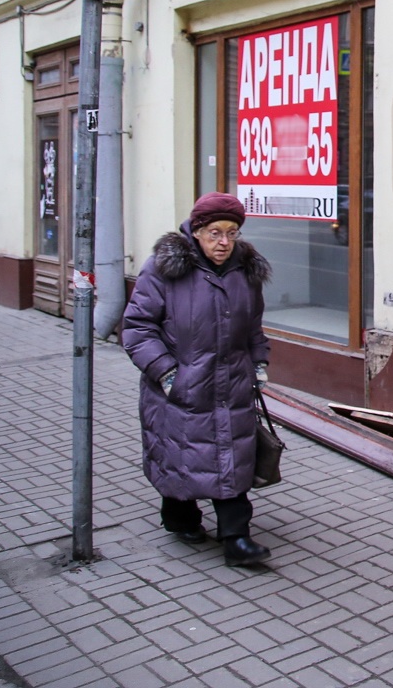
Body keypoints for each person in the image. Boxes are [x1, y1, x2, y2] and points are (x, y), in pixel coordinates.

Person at [121, 192, 274, 567]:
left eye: (232, 233)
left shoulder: (246, 269)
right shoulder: (163, 269)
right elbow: (138, 328)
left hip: (232, 384)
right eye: (215, 233)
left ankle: (236, 537)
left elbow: (253, 326)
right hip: (181, 385)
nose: (224, 243)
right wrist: (167, 373)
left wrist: (259, 364)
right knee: (181, 456)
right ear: (197, 231)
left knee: (231, 456)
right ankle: (180, 518)